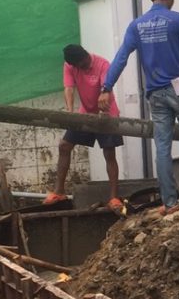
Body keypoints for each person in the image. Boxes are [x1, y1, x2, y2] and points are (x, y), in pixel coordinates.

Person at [98, 0, 179, 215]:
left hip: (156, 94)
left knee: (162, 147)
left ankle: (169, 203)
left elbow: (121, 58)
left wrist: (106, 87)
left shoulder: (136, 25)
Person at [46, 44, 124, 211]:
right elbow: (69, 88)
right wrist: (70, 113)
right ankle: (59, 192)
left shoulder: (103, 64)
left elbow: (106, 89)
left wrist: (104, 101)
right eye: (77, 66)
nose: (81, 68)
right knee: (64, 146)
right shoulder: (70, 66)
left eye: (82, 64)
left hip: (107, 113)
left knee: (109, 153)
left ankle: (114, 198)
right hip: (85, 114)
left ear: (86, 56)